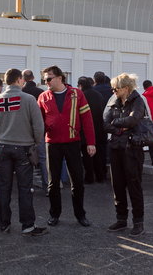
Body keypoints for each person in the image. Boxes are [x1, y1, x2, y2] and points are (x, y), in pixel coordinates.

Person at [0, 68, 48, 236]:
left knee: (4, 187)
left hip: (3, 148)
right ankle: (27, 225)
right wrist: (35, 142)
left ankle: (3, 224)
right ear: (20, 80)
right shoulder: (28, 99)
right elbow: (38, 126)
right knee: (25, 188)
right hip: (24, 148)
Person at [38, 65, 96, 227]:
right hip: (52, 144)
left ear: (60, 78)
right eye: (44, 79)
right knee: (53, 182)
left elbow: (87, 120)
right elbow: (39, 122)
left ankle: (80, 214)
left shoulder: (77, 94)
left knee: (77, 181)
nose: (46, 82)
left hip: (72, 143)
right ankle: (54, 214)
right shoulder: (43, 97)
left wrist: (91, 142)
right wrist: (37, 140)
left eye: (49, 78)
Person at [103, 73, 147, 236]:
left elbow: (132, 120)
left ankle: (138, 222)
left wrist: (115, 124)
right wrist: (119, 128)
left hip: (132, 148)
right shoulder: (113, 101)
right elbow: (104, 123)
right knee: (117, 185)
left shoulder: (138, 101)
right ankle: (121, 219)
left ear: (126, 88)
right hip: (115, 147)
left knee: (134, 185)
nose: (113, 90)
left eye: (116, 88)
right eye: (112, 88)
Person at [21, 69, 48, 192]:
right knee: (42, 159)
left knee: (26, 160)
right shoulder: (41, 92)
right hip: (40, 129)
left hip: (25, 130)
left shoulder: (21, 93)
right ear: (33, 77)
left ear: (23, 78)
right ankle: (47, 186)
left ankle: (28, 186)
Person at [77, 76, 107, 183]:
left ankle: (89, 177)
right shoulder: (98, 95)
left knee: (87, 156)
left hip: (86, 130)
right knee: (98, 155)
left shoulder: (81, 96)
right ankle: (100, 176)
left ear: (80, 85)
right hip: (99, 129)